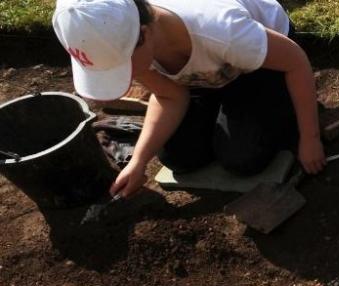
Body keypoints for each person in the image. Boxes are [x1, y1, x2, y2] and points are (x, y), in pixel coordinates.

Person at [53, 0, 324, 199]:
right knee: (178, 156)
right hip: (209, 73)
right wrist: (138, 160)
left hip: (264, 65)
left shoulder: (222, 30)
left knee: (242, 158)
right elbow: (170, 94)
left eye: (123, 68)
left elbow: (296, 62)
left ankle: (275, 112)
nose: (128, 77)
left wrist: (309, 138)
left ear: (145, 35)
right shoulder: (125, 38)